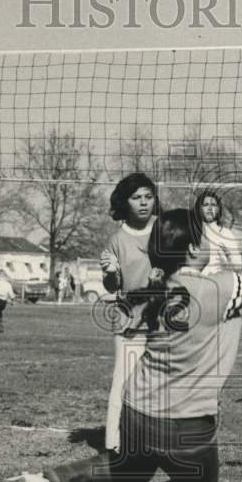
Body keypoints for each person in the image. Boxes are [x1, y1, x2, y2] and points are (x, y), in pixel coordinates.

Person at [0, 206, 242, 482]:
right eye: (206, 237)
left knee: (128, 468)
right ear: (193, 250)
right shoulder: (219, 287)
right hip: (186, 419)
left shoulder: (156, 289)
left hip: (137, 408)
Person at [100, 173, 159, 452]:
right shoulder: (117, 240)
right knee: (123, 381)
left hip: (164, 321)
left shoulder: (164, 229)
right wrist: (110, 272)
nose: (144, 203)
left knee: (162, 381)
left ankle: (157, 440)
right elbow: (112, 286)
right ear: (125, 202)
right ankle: (114, 442)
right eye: (136, 198)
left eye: (148, 196)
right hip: (130, 324)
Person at [195, 190, 242, 274]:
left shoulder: (226, 233)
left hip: (221, 280)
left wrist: (229, 256)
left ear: (218, 209)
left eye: (214, 205)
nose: (210, 208)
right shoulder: (194, 231)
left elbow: (238, 266)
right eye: (206, 205)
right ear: (199, 208)